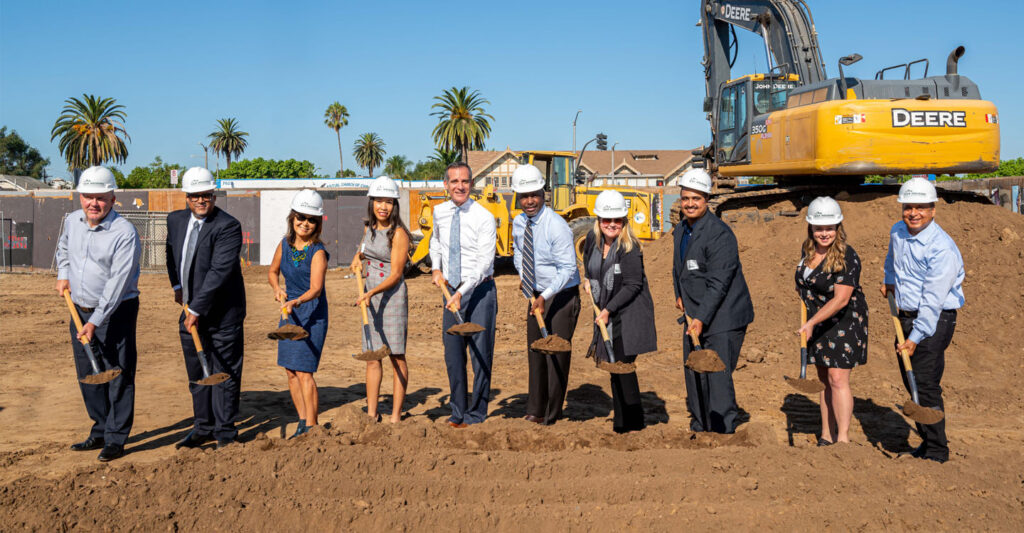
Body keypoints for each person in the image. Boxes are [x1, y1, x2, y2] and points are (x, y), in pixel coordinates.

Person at [54, 166, 141, 462]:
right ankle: (100, 430)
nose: (94, 203)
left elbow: (117, 285)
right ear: (80, 196)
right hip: (78, 308)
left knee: (118, 373)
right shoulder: (72, 221)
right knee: (88, 373)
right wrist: (63, 274)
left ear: (113, 198)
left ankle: (116, 439)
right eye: (88, 197)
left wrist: (94, 322)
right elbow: (64, 248)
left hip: (116, 312)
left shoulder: (124, 233)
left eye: (100, 198)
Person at [882, 177, 964, 463]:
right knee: (910, 379)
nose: (913, 213)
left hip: (935, 320)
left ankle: (938, 450)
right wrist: (889, 281)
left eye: (921, 207)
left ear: (933, 210)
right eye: (908, 207)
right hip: (903, 315)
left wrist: (915, 338)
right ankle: (927, 443)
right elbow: (891, 261)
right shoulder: (898, 232)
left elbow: (933, 300)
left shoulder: (942, 249)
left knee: (925, 383)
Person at [166, 167, 246, 450]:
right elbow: (171, 253)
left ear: (214, 194)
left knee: (224, 372)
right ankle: (202, 427)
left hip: (223, 314)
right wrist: (177, 287)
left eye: (207, 195)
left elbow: (219, 272)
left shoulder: (228, 226)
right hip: (191, 312)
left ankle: (225, 432)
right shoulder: (175, 220)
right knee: (197, 373)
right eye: (195, 196)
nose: (201, 200)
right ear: (186, 196)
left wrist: (196, 309)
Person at [672, 168, 754, 433]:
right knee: (694, 370)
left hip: (724, 317)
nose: (690, 204)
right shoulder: (681, 230)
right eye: (686, 198)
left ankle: (721, 429)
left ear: (707, 199)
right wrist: (679, 296)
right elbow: (679, 268)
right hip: (695, 312)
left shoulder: (719, 234)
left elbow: (719, 283)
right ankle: (700, 424)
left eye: (696, 198)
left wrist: (700, 318)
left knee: (717, 375)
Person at [795, 197, 869, 446]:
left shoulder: (848, 256)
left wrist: (812, 322)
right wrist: (810, 318)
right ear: (811, 229)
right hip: (817, 322)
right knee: (824, 379)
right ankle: (826, 435)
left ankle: (843, 439)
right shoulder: (807, 252)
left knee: (838, 379)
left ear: (838, 227)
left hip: (843, 322)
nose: (824, 233)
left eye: (829, 228)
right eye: (819, 228)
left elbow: (841, 299)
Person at [428, 162, 497, 428]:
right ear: (445, 185)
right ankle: (458, 412)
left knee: (480, 355)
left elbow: (483, 264)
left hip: (479, 291)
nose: (460, 186)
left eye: (465, 181)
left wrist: (461, 293)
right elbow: (436, 241)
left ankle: (476, 414)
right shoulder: (439, 212)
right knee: (454, 355)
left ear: (471, 184)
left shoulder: (483, 217)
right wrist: (436, 267)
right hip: (451, 290)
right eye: (454, 181)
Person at [511, 164, 581, 425]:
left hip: (561, 295)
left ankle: (552, 413)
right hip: (535, 293)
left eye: (534, 194)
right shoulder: (519, 223)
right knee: (536, 351)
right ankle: (536, 410)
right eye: (524, 196)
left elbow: (568, 269)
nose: (529, 201)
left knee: (556, 354)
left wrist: (546, 296)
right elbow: (519, 252)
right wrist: (523, 276)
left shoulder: (557, 226)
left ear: (543, 193)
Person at [582, 190, 657, 433]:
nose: (612, 225)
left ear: (624, 221)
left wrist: (608, 309)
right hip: (609, 314)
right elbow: (589, 268)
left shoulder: (629, 246)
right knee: (613, 370)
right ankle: (621, 425)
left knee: (623, 368)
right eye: (606, 220)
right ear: (599, 220)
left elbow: (633, 285)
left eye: (617, 220)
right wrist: (587, 280)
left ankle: (634, 425)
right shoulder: (592, 242)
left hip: (628, 315)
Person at [350, 176, 411, 424]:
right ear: (371, 203)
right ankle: (372, 413)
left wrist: (372, 293)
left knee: (395, 354)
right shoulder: (369, 228)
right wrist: (357, 257)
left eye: (388, 202)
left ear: (394, 205)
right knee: (373, 356)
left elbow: (396, 274)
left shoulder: (399, 234)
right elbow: (364, 249)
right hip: (370, 294)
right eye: (378, 201)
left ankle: (395, 416)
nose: (383, 207)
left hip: (391, 296)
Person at [269, 189, 329, 438]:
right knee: (290, 370)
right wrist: (277, 288)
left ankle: (312, 427)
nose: (305, 223)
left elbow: (315, 289)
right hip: (289, 312)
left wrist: (296, 301)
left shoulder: (318, 251)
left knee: (304, 371)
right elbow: (272, 272)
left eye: (311, 219)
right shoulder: (284, 244)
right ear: (292, 218)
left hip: (311, 315)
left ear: (317, 224)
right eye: (301, 217)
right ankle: (302, 421)